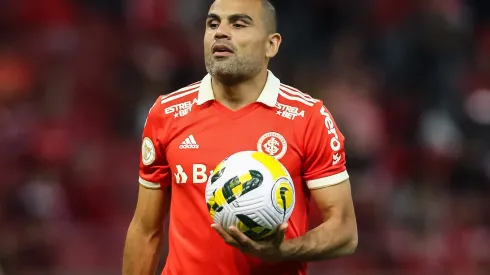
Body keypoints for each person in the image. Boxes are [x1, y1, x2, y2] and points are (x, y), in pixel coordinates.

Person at [122, 0, 358, 274]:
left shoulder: (308, 118)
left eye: (238, 24)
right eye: (213, 24)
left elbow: (344, 231)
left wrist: (284, 251)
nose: (220, 32)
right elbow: (145, 229)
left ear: (272, 44)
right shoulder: (168, 113)